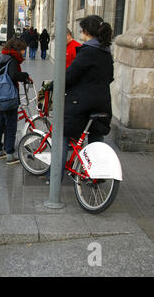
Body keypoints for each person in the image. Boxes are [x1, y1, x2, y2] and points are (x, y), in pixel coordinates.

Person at [42, 15, 114, 184]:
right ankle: (96, 175)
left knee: (62, 136)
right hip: (102, 103)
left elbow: (70, 76)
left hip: (82, 104)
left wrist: (53, 85)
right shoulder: (106, 52)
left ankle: (54, 179)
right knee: (96, 138)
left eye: (81, 30)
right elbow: (109, 78)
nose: (80, 33)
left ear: (87, 32)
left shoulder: (88, 50)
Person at [0, 38, 31, 164]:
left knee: (0, 124)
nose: (24, 52)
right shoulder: (12, 60)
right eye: (23, 49)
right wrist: (25, 76)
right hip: (9, 98)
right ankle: (10, 154)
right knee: (11, 126)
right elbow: (14, 75)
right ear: (17, 49)